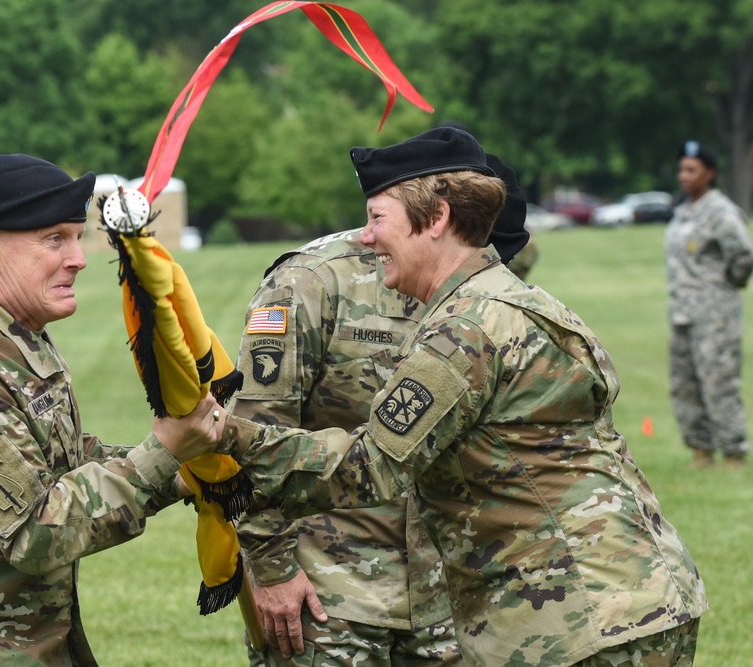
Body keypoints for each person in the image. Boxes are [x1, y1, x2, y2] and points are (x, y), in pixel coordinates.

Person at [213, 127, 708, 666]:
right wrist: (269, 559)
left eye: (378, 218)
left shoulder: (467, 326)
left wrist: (218, 434)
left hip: (567, 615)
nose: (365, 236)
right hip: (630, 595)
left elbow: (372, 465)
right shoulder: (518, 302)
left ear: (439, 219)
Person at [0, 154, 220, 667]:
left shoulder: (9, 339)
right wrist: (163, 455)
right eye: (55, 238)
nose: (79, 257)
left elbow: (61, 460)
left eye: (78, 236)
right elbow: (36, 530)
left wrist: (179, 473)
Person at [230, 154, 529, 666]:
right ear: (441, 220)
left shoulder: (486, 299)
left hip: (451, 597)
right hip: (329, 594)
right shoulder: (313, 281)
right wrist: (271, 566)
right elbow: (253, 433)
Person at [664, 140, 753, 469]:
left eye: (692, 170)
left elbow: (743, 256)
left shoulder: (721, 213)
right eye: (681, 169)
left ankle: (733, 454)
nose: (683, 176)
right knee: (685, 385)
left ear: (710, 174)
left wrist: (727, 284)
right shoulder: (683, 211)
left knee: (719, 384)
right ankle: (701, 452)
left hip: (715, 313)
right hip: (682, 311)